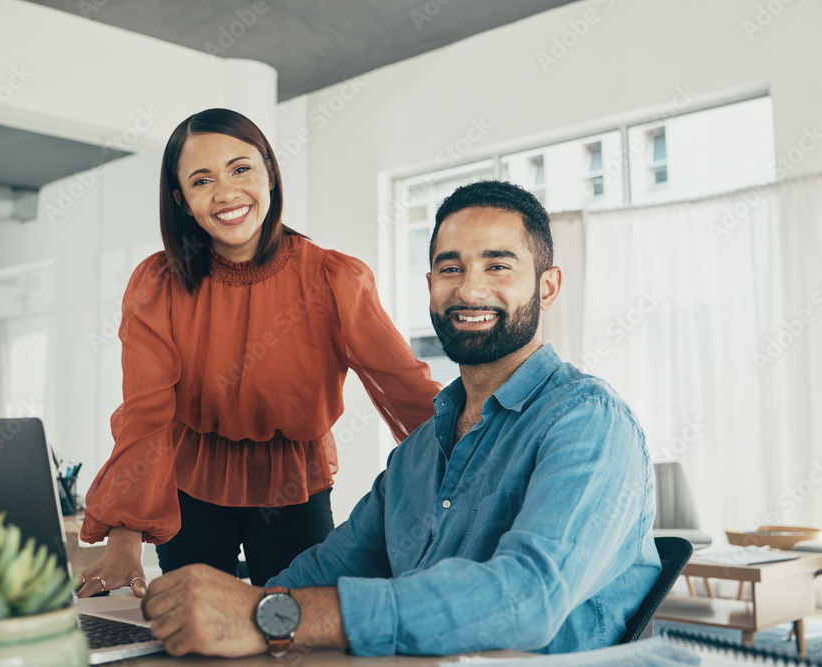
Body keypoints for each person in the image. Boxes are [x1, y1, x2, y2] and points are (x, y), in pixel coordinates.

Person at [139, 179, 661, 658]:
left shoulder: (589, 422)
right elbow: (326, 569)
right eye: (451, 268)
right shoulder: (419, 451)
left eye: (498, 266)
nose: (470, 289)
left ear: (547, 287)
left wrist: (275, 617)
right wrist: (215, 609)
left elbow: (526, 599)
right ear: (431, 284)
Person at [75, 108, 440, 598]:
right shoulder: (157, 284)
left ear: (269, 171)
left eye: (241, 168)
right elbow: (146, 414)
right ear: (182, 200)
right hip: (189, 491)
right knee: (198, 636)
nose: (226, 192)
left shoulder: (334, 279)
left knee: (291, 632)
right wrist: (125, 535)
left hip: (293, 488)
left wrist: (490, 461)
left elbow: (407, 390)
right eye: (202, 180)